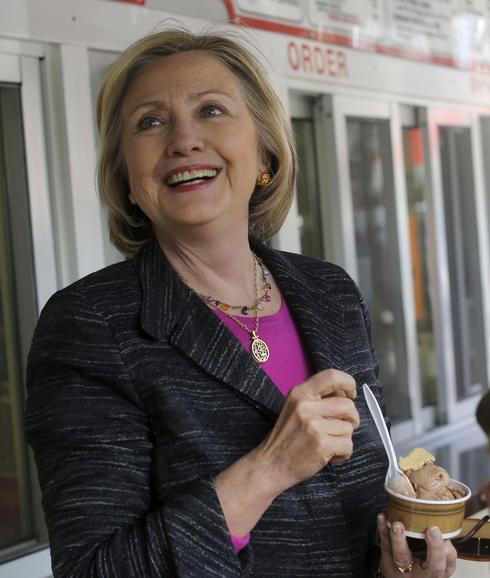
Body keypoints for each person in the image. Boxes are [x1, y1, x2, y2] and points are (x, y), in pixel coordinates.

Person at [25, 28, 457, 577]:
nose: (183, 140)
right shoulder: (91, 325)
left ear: (264, 153)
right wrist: (268, 470)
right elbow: (93, 570)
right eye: (150, 122)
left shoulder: (332, 294)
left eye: (211, 110)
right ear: (127, 178)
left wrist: (390, 568)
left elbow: (363, 505)